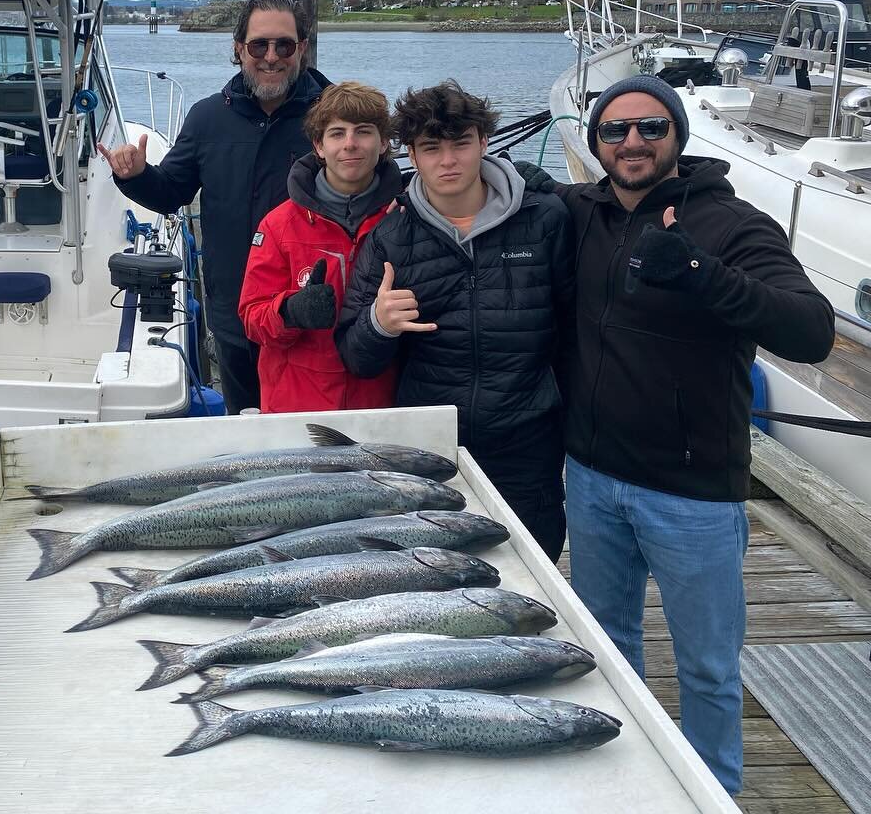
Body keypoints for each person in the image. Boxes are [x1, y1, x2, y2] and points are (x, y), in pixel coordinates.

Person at [519, 74, 835, 794]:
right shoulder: (580, 210)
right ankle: (627, 785)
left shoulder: (734, 224)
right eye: (614, 130)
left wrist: (698, 270)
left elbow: (812, 331)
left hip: (693, 492)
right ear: (596, 143)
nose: (632, 142)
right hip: (593, 480)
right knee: (607, 645)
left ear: (676, 138)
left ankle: (713, 791)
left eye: (650, 128)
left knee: (709, 667)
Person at [336, 80, 575, 559]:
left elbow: (575, 332)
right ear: (411, 154)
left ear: (484, 143)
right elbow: (355, 356)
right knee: (432, 573)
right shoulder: (391, 238)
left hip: (526, 440)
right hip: (430, 446)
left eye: (461, 143)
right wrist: (377, 324)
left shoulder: (545, 219)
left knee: (533, 561)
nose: (448, 161)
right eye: (431, 148)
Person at [97, 0, 329, 414]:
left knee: (312, 436)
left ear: (303, 48)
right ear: (238, 48)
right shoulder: (208, 117)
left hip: (315, 321)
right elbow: (170, 192)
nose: (271, 56)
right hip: (236, 312)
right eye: (259, 45)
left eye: (284, 45)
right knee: (246, 429)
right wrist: (135, 175)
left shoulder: (334, 117)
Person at [238, 81, 404, 413]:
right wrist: (289, 311)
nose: (351, 144)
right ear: (319, 145)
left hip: (379, 405)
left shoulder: (405, 217)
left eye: (364, 131)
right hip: (296, 404)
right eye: (337, 133)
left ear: (384, 142)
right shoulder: (279, 224)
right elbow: (251, 316)